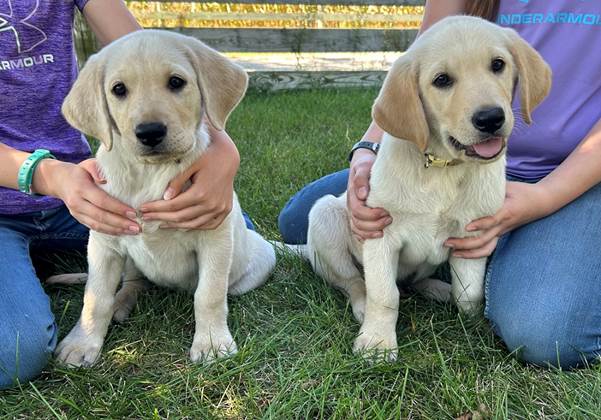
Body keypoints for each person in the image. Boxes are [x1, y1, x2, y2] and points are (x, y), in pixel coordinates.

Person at [278, 0, 601, 369]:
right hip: (425, 161)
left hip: (568, 169)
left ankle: (510, 262)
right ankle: (365, 286)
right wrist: (367, 152)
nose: (487, 108)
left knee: (545, 331)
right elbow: (417, 60)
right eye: (444, 80)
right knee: (303, 220)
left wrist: (545, 196)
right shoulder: (414, 83)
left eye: (497, 66)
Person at [0, 0, 243, 388]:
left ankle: (132, 282)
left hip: (88, 189)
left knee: (219, 220)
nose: (149, 122)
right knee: (11, 352)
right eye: (119, 91)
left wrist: (222, 146)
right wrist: (46, 175)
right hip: (11, 205)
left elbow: (142, 51)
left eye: (176, 84)